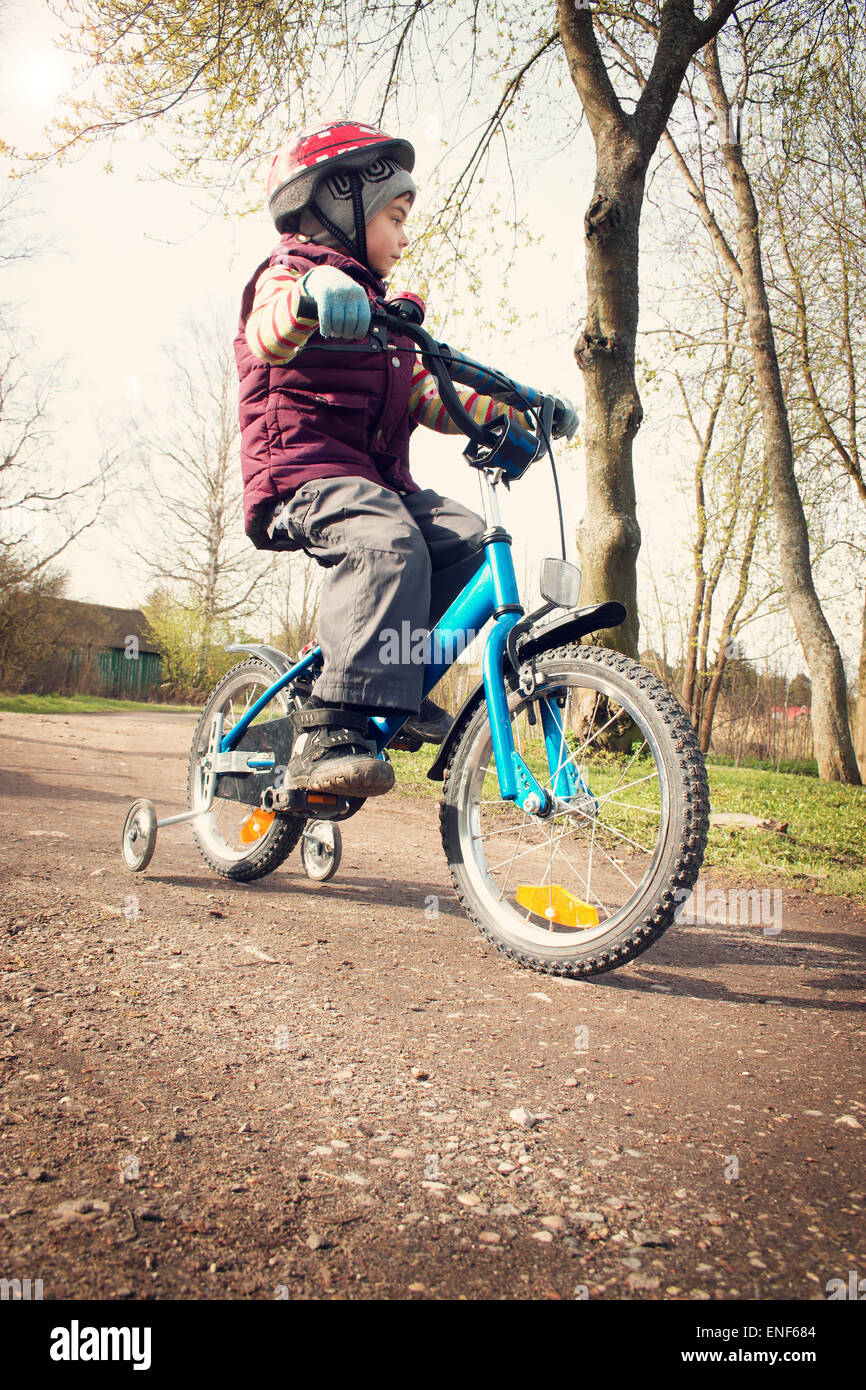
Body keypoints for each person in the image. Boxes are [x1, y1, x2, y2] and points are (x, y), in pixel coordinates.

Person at [234, 119, 577, 799]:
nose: (404, 234)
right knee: (387, 542)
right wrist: (310, 300)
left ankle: (396, 673)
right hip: (303, 471)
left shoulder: (389, 323)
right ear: (338, 201)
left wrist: (519, 411)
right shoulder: (290, 276)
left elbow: (433, 395)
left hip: (377, 484)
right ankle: (333, 724)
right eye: (395, 217)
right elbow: (267, 331)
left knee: (473, 545)